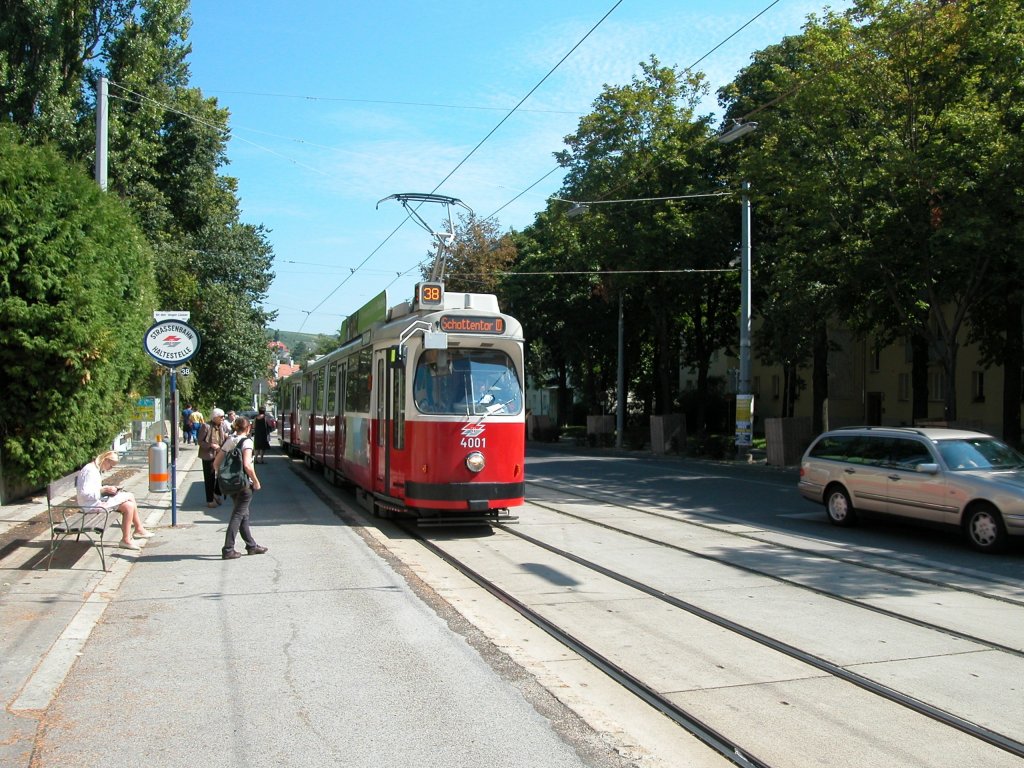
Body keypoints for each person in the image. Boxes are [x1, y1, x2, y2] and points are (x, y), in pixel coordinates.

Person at [213, 416, 267, 560]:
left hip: (232, 484)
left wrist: (225, 477)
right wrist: (255, 481)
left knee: (243, 514)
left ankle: (251, 546)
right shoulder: (247, 442)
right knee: (238, 515)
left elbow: (216, 463)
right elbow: (247, 465)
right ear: (248, 428)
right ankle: (228, 549)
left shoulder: (230, 440)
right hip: (244, 484)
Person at [76, 450, 153, 550]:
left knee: (129, 505)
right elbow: (84, 494)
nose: (110, 469)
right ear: (106, 460)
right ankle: (136, 531)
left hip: (96, 502)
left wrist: (107, 489)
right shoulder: (89, 471)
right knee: (130, 496)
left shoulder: (95, 468)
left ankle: (128, 538)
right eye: (111, 466)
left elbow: (94, 489)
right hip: (90, 506)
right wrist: (104, 490)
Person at [198, 408, 229, 508]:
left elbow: (224, 437)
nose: (223, 418)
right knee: (209, 478)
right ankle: (210, 500)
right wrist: (211, 445)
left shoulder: (222, 426)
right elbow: (200, 441)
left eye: (224, 417)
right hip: (208, 455)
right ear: (215, 417)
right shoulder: (206, 426)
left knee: (223, 475)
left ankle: (216, 493)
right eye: (221, 417)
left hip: (220, 454)